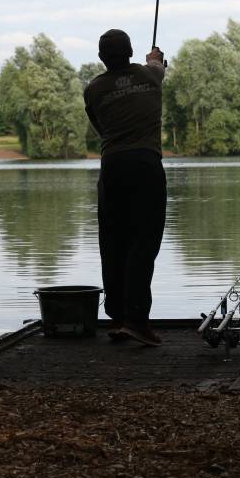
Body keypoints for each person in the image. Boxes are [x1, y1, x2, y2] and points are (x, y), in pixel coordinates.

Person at [83, 29, 166, 347]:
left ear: (102, 57)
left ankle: (117, 315)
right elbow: (158, 65)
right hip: (146, 164)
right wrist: (155, 57)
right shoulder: (151, 75)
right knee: (144, 241)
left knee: (113, 240)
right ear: (130, 52)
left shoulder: (93, 89)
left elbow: (101, 127)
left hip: (113, 166)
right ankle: (136, 320)